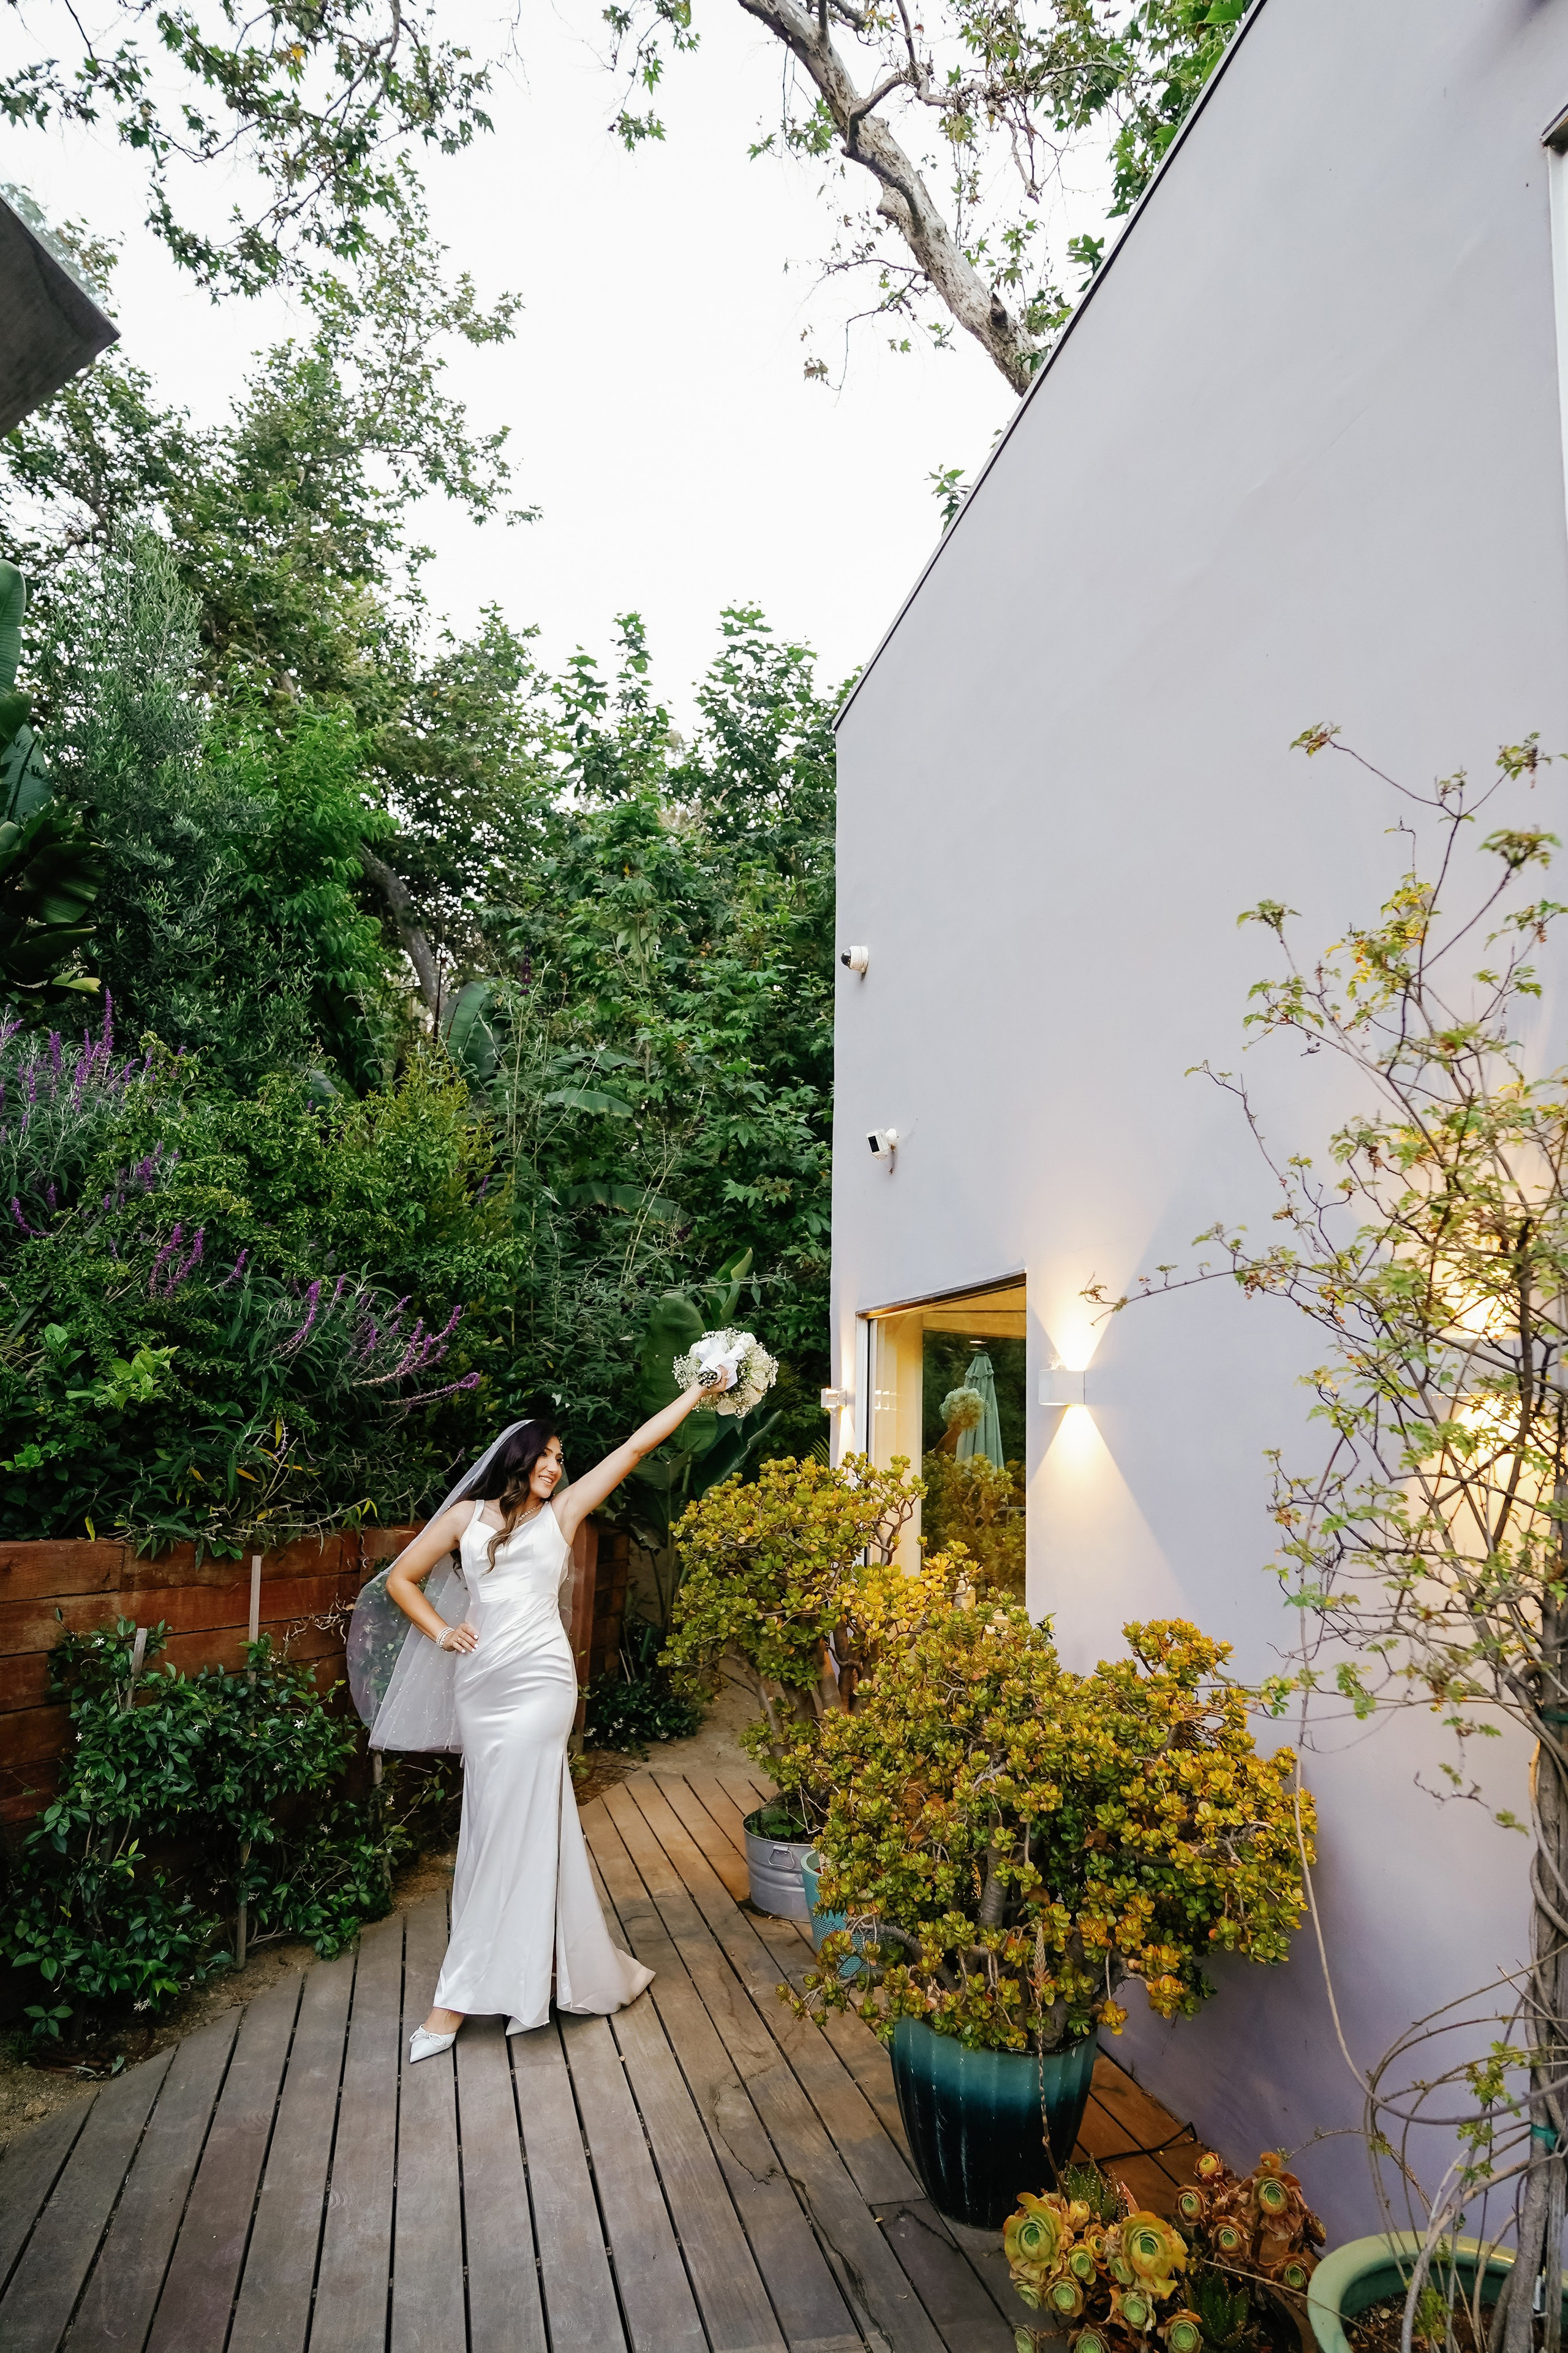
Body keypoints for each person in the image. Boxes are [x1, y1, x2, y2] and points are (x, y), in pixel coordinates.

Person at [385, 1363, 733, 2061]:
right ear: (517, 1459)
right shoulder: (463, 1519)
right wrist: (440, 1629)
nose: (553, 1467)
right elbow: (400, 1578)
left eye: (559, 1459)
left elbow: (635, 1448)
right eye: (544, 1456)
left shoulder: (564, 1514)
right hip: (481, 1686)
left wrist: (698, 1392)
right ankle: (535, 1969)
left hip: (542, 1683)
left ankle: (453, 2002)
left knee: (512, 1823)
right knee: (496, 1824)